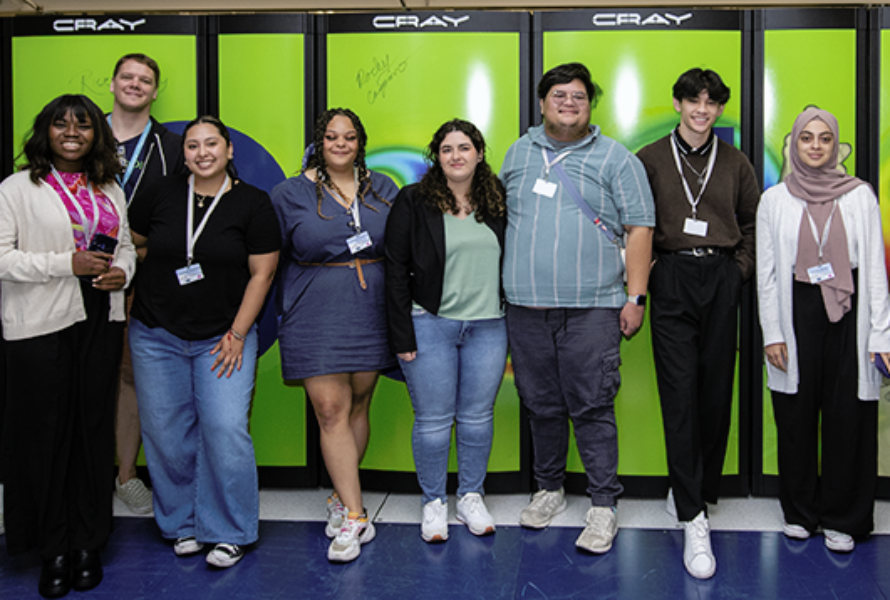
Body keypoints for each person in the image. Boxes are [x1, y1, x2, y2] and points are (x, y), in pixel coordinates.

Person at [500, 63, 655, 553]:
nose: (570, 103)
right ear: (542, 102)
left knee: (591, 405)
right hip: (525, 309)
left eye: (580, 97)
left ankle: (603, 505)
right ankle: (548, 489)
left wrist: (635, 297)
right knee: (541, 405)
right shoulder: (517, 154)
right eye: (560, 95)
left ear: (591, 105)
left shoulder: (616, 159)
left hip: (592, 309)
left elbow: (640, 229)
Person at [128, 115, 280, 568]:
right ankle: (183, 524)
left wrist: (236, 333)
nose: (201, 153)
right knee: (165, 432)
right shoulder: (160, 194)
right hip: (156, 334)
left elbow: (263, 273)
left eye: (211, 144)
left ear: (229, 150)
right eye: (192, 146)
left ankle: (230, 530)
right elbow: (132, 241)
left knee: (225, 428)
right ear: (184, 153)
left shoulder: (253, 204)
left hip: (223, 336)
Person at [0, 94, 136, 598]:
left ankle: (87, 543)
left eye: (83, 124)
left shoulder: (108, 187)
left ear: (97, 134)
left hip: (99, 317)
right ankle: (50, 547)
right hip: (39, 325)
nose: (72, 132)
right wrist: (65, 264)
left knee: (90, 432)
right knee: (44, 437)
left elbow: (121, 244)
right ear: (46, 132)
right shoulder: (17, 188)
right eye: (61, 124)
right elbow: (2, 258)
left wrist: (125, 271)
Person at [636, 68, 759, 579]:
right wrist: (647, 278)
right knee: (679, 390)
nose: (701, 110)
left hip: (722, 276)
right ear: (678, 103)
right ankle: (693, 516)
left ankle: (698, 489)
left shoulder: (735, 162)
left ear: (720, 109)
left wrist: (738, 272)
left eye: (711, 102)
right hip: (672, 277)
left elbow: (753, 223)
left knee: (714, 392)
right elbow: (634, 223)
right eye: (693, 100)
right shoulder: (648, 159)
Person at [757, 107, 890, 554]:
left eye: (825, 139)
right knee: (794, 413)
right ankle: (799, 513)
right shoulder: (774, 199)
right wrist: (771, 332)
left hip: (849, 313)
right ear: (794, 144)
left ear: (836, 146)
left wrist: (881, 335)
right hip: (795, 312)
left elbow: (874, 270)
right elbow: (767, 273)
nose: (815, 146)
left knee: (847, 416)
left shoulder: (859, 196)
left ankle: (842, 517)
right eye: (807, 138)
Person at [271, 108, 398, 563]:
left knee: (358, 404)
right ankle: (356, 516)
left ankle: (341, 498)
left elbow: (402, 245)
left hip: (372, 310)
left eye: (349, 137)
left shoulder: (382, 187)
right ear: (318, 143)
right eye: (331, 137)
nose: (340, 144)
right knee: (330, 409)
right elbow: (270, 256)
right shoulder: (289, 193)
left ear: (360, 142)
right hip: (313, 309)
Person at [385, 119, 507, 543]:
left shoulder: (496, 201)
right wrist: (401, 335)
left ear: (478, 153)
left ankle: (471, 496)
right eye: (447, 149)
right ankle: (433, 502)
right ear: (437, 157)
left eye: (465, 147)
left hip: (489, 326)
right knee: (434, 422)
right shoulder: (414, 200)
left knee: (477, 419)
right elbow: (395, 271)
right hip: (428, 325)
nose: (456, 156)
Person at [108, 53, 186, 515]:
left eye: (145, 80)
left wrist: (134, 256)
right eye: (127, 77)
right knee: (70, 373)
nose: (135, 85)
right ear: (112, 83)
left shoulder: (172, 148)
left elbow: (181, 220)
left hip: (142, 276)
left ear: (155, 91)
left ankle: (126, 474)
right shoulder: (79, 133)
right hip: (72, 275)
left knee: (130, 377)